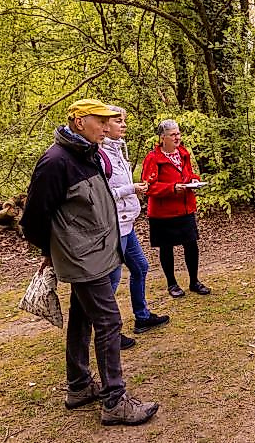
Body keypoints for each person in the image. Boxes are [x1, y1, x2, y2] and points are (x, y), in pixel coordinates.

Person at [20, 99, 159, 426]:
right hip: (82, 256)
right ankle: (114, 401)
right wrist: (50, 251)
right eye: (101, 120)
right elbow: (33, 218)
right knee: (109, 322)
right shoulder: (56, 161)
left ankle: (79, 386)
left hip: (95, 251)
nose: (107, 126)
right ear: (80, 121)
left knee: (83, 317)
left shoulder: (87, 153)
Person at [100, 106, 170, 338]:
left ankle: (142, 317)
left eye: (124, 121)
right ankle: (109, 332)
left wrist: (134, 190)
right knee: (113, 278)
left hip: (126, 222)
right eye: (118, 121)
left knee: (140, 267)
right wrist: (130, 188)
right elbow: (101, 194)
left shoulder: (118, 151)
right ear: (104, 124)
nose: (123, 125)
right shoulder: (99, 154)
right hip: (113, 226)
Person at [141, 119, 209, 298]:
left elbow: (187, 173)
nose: (177, 137)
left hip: (185, 208)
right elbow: (148, 187)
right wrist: (171, 188)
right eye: (173, 134)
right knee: (166, 248)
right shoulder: (153, 158)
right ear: (162, 137)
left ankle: (194, 281)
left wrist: (193, 179)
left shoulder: (183, 153)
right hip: (163, 212)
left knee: (191, 244)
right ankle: (172, 284)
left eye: (178, 133)